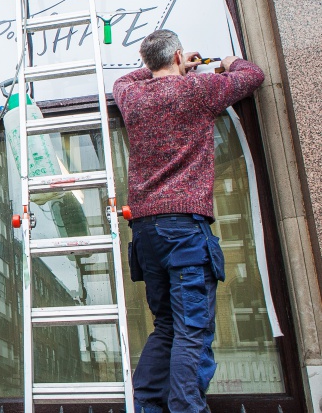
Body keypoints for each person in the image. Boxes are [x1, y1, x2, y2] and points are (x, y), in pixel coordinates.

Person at [112, 29, 264, 413]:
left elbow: (124, 79)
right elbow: (253, 76)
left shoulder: (132, 96)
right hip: (183, 228)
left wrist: (162, 69)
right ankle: (185, 408)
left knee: (166, 326)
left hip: (145, 231)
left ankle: (147, 406)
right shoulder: (197, 89)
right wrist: (229, 63)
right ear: (179, 56)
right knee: (192, 330)